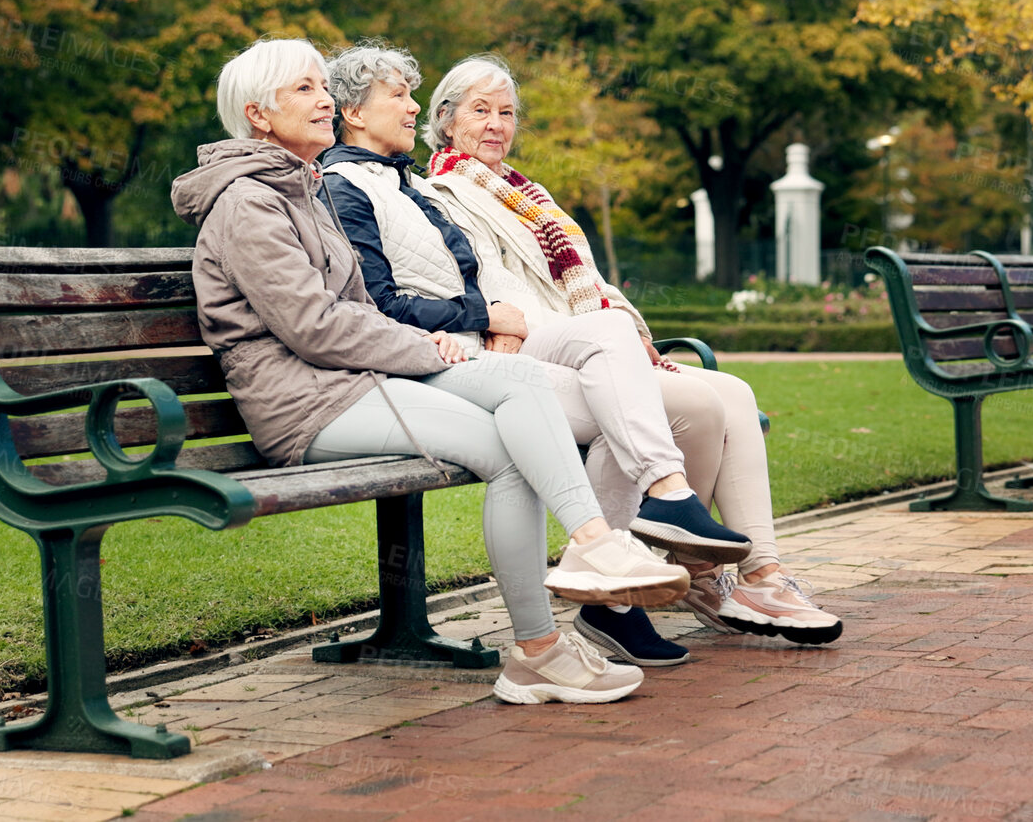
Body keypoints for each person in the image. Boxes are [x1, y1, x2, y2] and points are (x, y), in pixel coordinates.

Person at [170, 37, 691, 704]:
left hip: (355, 380)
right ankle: (563, 603)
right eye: (304, 88)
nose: (325, 97)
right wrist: (424, 345)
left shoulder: (305, 188)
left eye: (321, 85)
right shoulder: (249, 203)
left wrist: (423, 338)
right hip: (306, 405)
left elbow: (355, 307)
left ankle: (562, 602)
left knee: (521, 394)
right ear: (258, 115)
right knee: (513, 432)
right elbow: (313, 326)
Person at [318, 43, 750, 668]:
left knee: (611, 341)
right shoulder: (347, 187)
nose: (412, 106)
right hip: (437, 364)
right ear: (354, 113)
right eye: (399, 96)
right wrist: (486, 318)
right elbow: (379, 302)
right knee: (622, 404)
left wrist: (492, 318)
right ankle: (603, 587)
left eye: (414, 95)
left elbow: (462, 278)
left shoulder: (406, 184)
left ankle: (642, 538)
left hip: (477, 348)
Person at [419, 54, 843, 646]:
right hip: (535, 344)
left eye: (507, 112)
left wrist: (622, 320)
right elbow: (499, 289)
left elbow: (581, 277)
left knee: (736, 393)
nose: (496, 124)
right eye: (480, 111)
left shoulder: (523, 190)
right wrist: (603, 331)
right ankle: (685, 576)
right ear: (445, 120)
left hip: (581, 336)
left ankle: (763, 574)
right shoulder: (442, 191)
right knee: (696, 404)